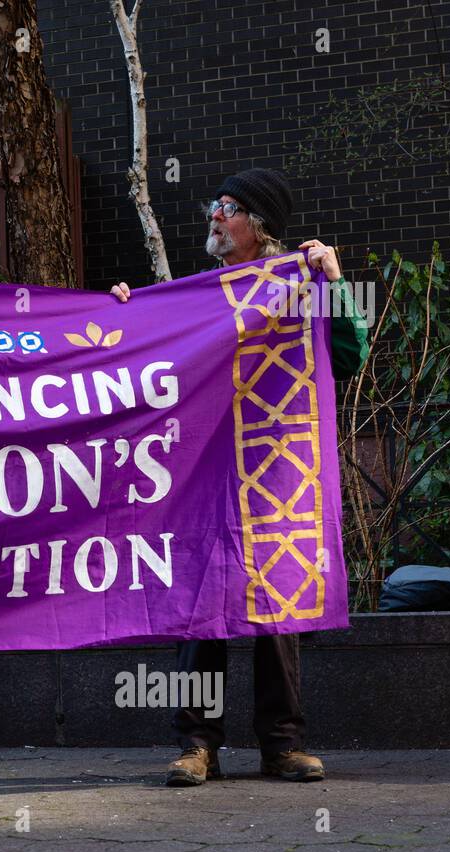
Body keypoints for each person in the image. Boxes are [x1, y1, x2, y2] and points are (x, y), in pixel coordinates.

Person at [109, 168, 370, 786]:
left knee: (280, 604)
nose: (214, 218)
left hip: (276, 467)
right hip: (203, 472)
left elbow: (351, 356)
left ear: (260, 223)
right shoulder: (199, 293)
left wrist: (335, 281)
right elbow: (145, 354)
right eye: (215, 206)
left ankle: (282, 745)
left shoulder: (300, 286)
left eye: (227, 208)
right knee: (201, 604)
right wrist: (124, 310)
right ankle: (198, 745)